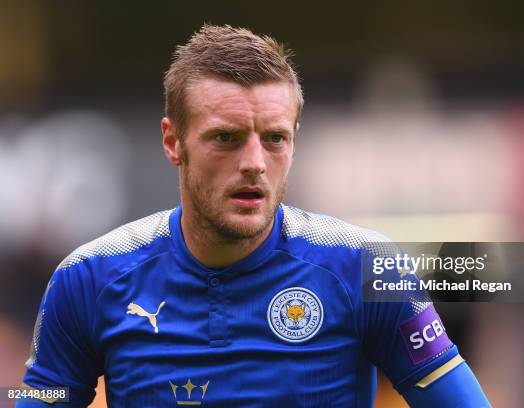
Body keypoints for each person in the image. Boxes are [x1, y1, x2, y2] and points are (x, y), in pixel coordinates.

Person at [17, 24, 491, 407]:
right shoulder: (87, 278)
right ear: (172, 141)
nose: (254, 163)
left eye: (274, 138)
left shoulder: (368, 265)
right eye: (226, 138)